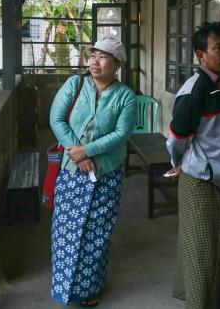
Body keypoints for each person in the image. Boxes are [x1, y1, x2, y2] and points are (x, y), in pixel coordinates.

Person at [49, 36, 136, 306]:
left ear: (117, 63)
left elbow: (122, 133)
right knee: (65, 229)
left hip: (106, 173)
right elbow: (56, 118)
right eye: (93, 55)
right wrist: (76, 150)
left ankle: (89, 290)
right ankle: (63, 287)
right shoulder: (75, 84)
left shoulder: (126, 96)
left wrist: (90, 151)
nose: (95, 61)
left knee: (97, 233)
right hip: (72, 171)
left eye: (103, 56)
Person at [166, 22, 220, 309]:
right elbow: (177, 138)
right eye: (218, 48)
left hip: (219, 180)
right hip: (200, 183)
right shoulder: (195, 90)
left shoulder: (219, 85)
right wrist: (179, 164)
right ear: (200, 54)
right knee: (202, 256)